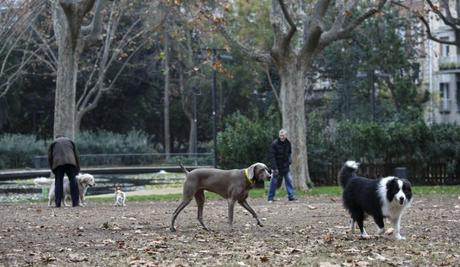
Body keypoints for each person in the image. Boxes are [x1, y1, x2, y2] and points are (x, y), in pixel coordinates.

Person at [48, 135, 81, 207]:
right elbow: (76, 155)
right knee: (73, 181)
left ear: (56, 138)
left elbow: (50, 157)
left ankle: (58, 203)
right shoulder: (70, 141)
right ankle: (75, 203)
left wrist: (53, 169)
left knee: (58, 182)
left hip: (58, 164)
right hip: (70, 162)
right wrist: (77, 169)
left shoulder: (53, 143)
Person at [268, 129, 296, 202]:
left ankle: (291, 196)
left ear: (286, 135)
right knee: (273, 182)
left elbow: (289, 152)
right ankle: (270, 197)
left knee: (289, 180)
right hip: (276, 167)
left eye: (283, 135)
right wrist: (274, 168)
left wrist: (289, 160)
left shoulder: (288, 143)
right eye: (280, 135)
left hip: (285, 166)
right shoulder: (274, 144)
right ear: (279, 135)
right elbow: (271, 156)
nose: (282, 137)